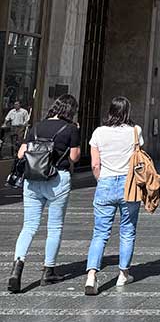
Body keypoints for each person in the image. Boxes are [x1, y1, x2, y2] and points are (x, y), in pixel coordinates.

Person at [7, 94, 80, 293]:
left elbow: (21, 153)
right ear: (70, 110)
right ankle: (48, 271)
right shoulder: (71, 129)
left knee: (29, 226)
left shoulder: (36, 126)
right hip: (57, 179)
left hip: (32, 180)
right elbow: (74, 157)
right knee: (54, 226)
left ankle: (17, 268)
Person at [84, 96, 144, 294]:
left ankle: (92, 275)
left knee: (100, 232)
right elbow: (138, 159)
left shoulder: (99, 132)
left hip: (106, 183)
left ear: (110, 110)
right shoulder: (135, 131)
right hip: (129, 185)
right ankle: (123, 274)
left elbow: (95, 164)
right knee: (127, 230)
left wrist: (101, 179)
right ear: (128, 111)